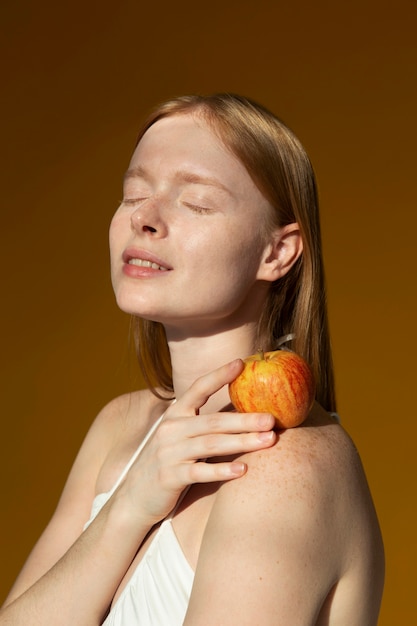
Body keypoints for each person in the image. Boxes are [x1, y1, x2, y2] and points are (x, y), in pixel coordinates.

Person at [1, 93, 384, 625]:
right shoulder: (120, 427)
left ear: (277, 252)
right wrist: (129, 506)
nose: (145, 219)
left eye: (196, 203)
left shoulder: (280, 464)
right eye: (133, 194)